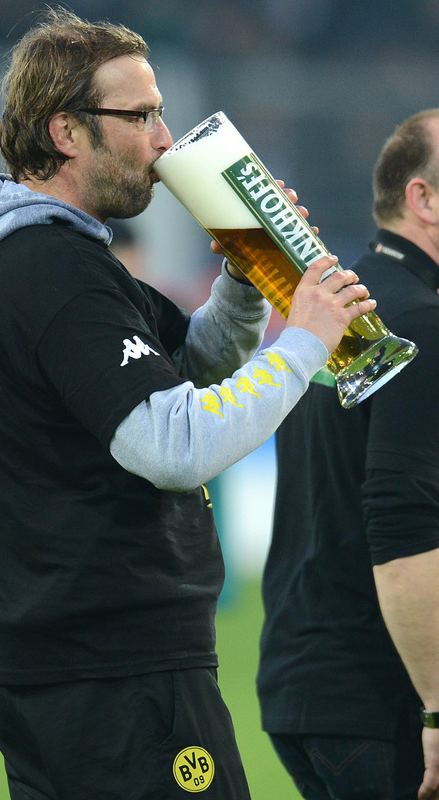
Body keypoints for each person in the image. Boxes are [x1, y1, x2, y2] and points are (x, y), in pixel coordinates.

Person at [0, 8, 376, 800]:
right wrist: (305, 339)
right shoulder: (52, 269)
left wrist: (246, 282)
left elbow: (188, 371)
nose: (164, 140)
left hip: (79, 661)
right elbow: (172, 447)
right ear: (65, 132)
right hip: (112, 666)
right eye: (139, 116)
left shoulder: (52, 255)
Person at [257, 109, 439, 800]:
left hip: (306, 679)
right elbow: (400, 519)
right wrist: (434, 705)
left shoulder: (342, 306)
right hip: (377, 693)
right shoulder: (419, 323)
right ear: (420, 198)